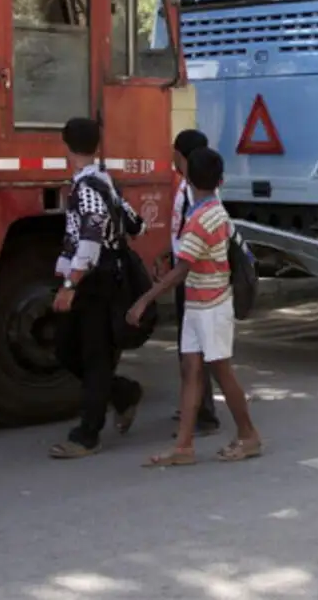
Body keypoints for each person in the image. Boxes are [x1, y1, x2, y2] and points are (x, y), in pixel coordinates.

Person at [127, 147, 262, 467]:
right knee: (192, 371)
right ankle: (184, 445)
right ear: (220, 180)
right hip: (201, 303)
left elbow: (181, 269)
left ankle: (248, 435)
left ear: (188, 178)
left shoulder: (202, 218)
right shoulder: (210, 210)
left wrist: (144, 300)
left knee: (220, 372)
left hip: (210, 306)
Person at [48, 117, 146, 459]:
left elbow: (89, 239)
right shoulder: (104, 182)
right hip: (98, 278)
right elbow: (137, 225)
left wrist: (70, 284)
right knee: (69, 350)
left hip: (95, 282)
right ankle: (122, 393)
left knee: (93, 356)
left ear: (66, 147)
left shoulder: (88, 188)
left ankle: (87, 435)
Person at [169, 129, 221, 434]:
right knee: (193, 349)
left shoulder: (195, 192)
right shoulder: (193, 188)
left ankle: (203, 414)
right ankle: (195, 408)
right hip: (191, 274)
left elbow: (193, 238)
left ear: (181, 155)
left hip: (193, 278)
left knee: (195, 351)